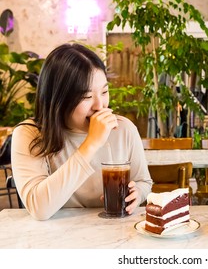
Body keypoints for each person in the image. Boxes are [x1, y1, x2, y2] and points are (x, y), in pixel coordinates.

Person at [11, 43, 152, 220]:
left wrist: (137, 193)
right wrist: (92, 143)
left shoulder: (124, 129)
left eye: (104, 91)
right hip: (54, 239)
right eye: (86, 97)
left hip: (115, 235)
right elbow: (39, 209)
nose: (100, 105)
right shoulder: (30, 134)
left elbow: (143, 181)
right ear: (58, 99)